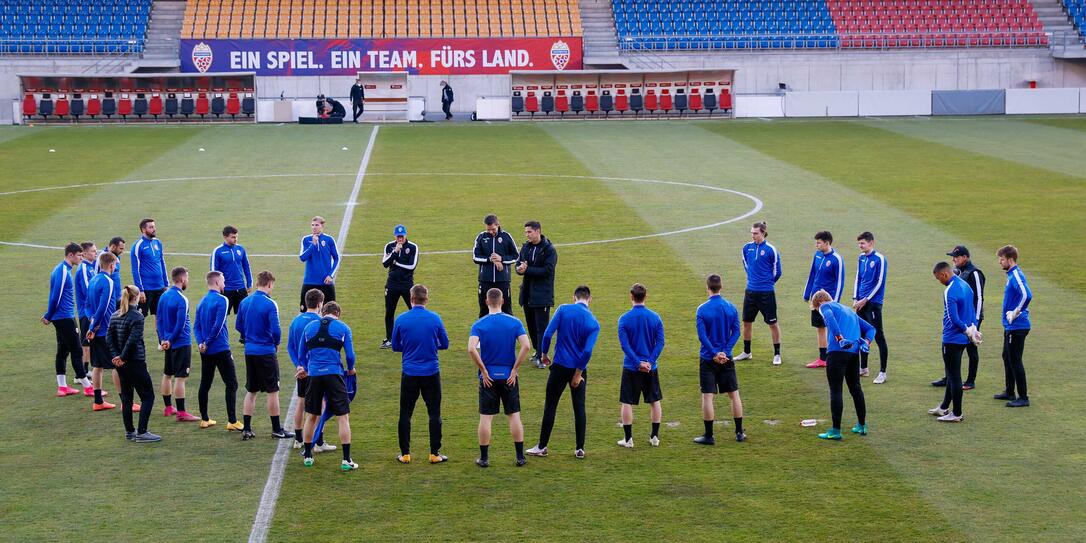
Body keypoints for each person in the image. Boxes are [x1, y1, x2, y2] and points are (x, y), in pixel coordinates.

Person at [526, 285, 600, 460]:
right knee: (579, 407)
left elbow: (547, 334)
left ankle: (542, 446)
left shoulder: (563, 310)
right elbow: (587, 352)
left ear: (574, 297)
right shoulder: (593, 322)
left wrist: (544, 354)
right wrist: (578, 374)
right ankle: (580, 448)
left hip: (559, 366)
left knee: (551, 405)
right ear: (589, 299)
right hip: (579, 369)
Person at [468, 288, 532, 468]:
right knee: (514, 416)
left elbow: (471, 349)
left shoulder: (479, 324)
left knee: (486, 418)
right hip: (508, 376)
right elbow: (526, 346)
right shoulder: (514, 322)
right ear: (502, 301)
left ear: (486, 302)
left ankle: (484, 458)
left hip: (488, 376)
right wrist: (514, 369)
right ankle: (520, 457)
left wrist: (483, 370)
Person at [392, 284, 450, 464]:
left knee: (405, 413)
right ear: (427, 299)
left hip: (409, 372)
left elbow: (395, 346)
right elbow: (445, 343)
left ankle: (405, 454)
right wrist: (432, 346)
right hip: (431, 372)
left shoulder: (401, 319)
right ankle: (434, 453)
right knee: (434, 413)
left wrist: (409, 348)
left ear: (411, 298)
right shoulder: (435, 318)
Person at [297, 302, 359, 470]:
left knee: (311, 416)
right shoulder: (343, 327)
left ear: (323, 312)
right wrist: (351, 370)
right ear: (337, 313)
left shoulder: (309, 327)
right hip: (334, 374)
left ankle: (308, 456)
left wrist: (304, 367)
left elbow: (301, 354)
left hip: (315, 375)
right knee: (343, 417)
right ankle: (346, 460)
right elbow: (350, 356)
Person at [811, 290, 875, 440]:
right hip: (853, 353)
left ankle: (835, 430)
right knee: (856, 389)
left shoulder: (824, 306)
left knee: (836, 391)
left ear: (819, 303)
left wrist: (839, 338)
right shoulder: (849, 310)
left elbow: (829, 318)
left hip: (837, 352)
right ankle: (862, 425)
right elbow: (871, 329)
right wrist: (866, 342)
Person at [235, 271, 292, 440]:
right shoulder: (270, 304)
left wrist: (249, 338)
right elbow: (276, 330)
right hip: (266, 351)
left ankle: (246, 428)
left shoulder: (244, 302)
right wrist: (276, 343)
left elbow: (239, 325)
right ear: (268, 284)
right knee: (272, 390)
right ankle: (276, 429)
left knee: (251, 390)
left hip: (250, 351)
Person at [693, 274, 746, 445]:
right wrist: (725, 351)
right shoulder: (730, 307)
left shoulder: (702, 309)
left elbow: (702, 336)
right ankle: (739, 432)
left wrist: (715, 353)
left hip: (708, 359)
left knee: (707, 397)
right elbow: (737, 331)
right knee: (734, 395)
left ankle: (709, 436)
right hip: (727, 359)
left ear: (707, 287)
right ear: (721, 287)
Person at [107, 285, 160, 442]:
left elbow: (109, 338)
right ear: (136, 298)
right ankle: (142, 432)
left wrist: (117, 357)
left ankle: (130, 431)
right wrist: (122, 356)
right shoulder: (137, 316)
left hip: (121, 364)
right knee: (148, 396)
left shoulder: (115, 315)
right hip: (134, 361)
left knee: (127, 397)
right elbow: (133, 340)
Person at [929, 262, 981, 423]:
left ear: (944, 274)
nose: (939, 281)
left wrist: (966, 330)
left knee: (954, 376)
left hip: (952, 338)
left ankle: (957, 413)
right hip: (964, 338)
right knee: (952, 374)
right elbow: (972, 310)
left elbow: (953, 318)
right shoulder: (965, 285)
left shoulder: (949, 290)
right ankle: (944, 407)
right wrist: (973, 329)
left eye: (939, 278)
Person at [616, 283, 665, 448]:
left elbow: (625, 346)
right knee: (654, 401)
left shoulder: (624, 319)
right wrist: (649, 362)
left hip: (631, 367)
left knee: (627, 402)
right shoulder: (655, 317)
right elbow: (660, 343)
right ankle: (655, 437)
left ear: (631, 297)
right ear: (646, 296)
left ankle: (628, 439)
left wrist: (638, 363)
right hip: (651, 368)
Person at [933, 246, 986, 390]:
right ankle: (949, 377)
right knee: (955, 350)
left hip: (971, 318)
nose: (953, 259)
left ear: (965, 257)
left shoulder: (974, 273)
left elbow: (979, 298)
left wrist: (975, 322)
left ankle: (970, 380)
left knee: (971, 349)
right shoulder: (959, 273)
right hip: (963, 318)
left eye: (956, 257)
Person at [193, 271, 241, 430]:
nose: (225, 284)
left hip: (205, 351)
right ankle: (232, 421)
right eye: (223, 281)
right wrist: (207, 342)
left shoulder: (201, 301)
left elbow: (197, 326)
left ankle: (204, 419)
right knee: (232, 383)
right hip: (220, 348)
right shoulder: (222, 300)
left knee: (205, 383)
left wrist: (201, 343)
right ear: (217, 282)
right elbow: (218, 325)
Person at [288, 288, 333, 452]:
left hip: (301, 370)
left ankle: (298, 439)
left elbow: (290, 347)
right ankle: (318, 441)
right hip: (316, 369)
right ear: (320, 304)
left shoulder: (296, 320)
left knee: (300, 401)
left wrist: (299, 365)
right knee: (320, 404)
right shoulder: (320, 322)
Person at [44, 243, 90, 397]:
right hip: (64, 317)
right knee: (77, 350)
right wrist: (49, 315)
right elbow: (55, 296)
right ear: (70, 255)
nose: (81, 258)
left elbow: (54, 296)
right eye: (79, 255)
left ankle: (62, 387)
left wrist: (49, 314)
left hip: (62, 316)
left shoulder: (61, 269)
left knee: (62, 350)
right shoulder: (63, 271)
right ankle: (88, 387)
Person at [735, 221, 782, 365]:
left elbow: (777, 271)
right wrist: (753, 280)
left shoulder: (771, 250)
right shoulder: (746, 248)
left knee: (772, 323)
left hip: (766, 293)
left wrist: (767, 283)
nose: (753, 235)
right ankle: (747, 352)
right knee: (746, 322)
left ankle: (777, 354)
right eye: (752, 233)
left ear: (763, 233)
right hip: (750, 292)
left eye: (755, 233)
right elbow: (746, 266)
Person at [156, 267, 198, 422]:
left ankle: (168, 407)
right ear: (181, 279)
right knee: (180, 378)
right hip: (180, 342)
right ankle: (181, 412)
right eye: (186, 277)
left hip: (168, 342)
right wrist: (171, 339)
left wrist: (163, 339)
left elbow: (159, 319)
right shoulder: (182, 299)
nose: (187, 280)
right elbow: (180, 324)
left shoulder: (164, 296)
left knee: (167, 374)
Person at [516, 220, 557, 369]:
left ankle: (542, 355)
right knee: (532, 326)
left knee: (542, 327)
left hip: (542, 295)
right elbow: (519, 264)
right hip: (527, 293)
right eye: (526, 232)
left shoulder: (549, 250)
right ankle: (537, 351)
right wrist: (519, 269)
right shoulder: (526, 247)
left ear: (538, 231)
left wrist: (527, 270)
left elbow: (547, 271)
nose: (527, 235)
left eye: (529, 232)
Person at [802, 231, 845, 369]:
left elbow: (840, 282)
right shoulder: (817, 255)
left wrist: (834, 302)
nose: (816, 245)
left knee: (833, 328)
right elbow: (812, 275)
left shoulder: (836, 259)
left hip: (828, 302)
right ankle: (823, 359)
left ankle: (838, 356)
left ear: (827, 243)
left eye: (819, 242)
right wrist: (807, 293)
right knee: (820, 327)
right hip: (816, 301)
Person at [996, 245, 1032, 408]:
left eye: (1002, 259)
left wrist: (1016, 312)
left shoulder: (1016, 274)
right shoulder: (1011, 274)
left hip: (1017, 326)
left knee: (1015, 360)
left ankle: (1023, 397)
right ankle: (1010, 391)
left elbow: (1027, 295)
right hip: (1011, 326)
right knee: (1007, 356)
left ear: (1010, 260)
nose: (1000, 262)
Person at [852, 232, 889, 384]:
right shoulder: (861, 258)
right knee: (861, 334)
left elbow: (880, 282)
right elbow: (858, 278)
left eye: (862, 243)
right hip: (860, 302)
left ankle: (883, 372)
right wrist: (855, 298)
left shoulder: (879, 258)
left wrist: (865, 299)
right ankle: (863, 368)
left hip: (873, 303)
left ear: (871, 243)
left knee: (878, 335)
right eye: (859, 243)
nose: (860, 246)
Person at [86, 252, 121, 411]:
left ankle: (98, 401)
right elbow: (105, 306)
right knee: (117, 366)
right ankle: (125, 402)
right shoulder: (108, 281)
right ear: (112, 265)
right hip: (106, 330)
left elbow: (87, 306)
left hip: (95, 330)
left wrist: (92, 323)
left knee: (97, 366)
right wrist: (95, 325)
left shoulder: (93, 280)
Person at [473, 215, 519, 318]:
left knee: (506, 310)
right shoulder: (481, 237)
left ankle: (508, 333)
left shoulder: (506, 237)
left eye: (493, 229)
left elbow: (516, 256)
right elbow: (475, 257)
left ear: (498, 225)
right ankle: (484, 333)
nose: (490, 232)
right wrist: (490, 259)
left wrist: (501, 259)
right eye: (488, 229)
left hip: (503, 281)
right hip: (485, 281)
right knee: (484, 311)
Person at [380, 224, 418, 349]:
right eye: (398, 236)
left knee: (414, 310)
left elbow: (411, 266)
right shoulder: (389, 246)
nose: (400, 239)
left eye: (402, 236)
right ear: (395, 236)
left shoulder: (413, 247)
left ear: (406, 235)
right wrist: (395, 252)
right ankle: (389, 339)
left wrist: (396, 262)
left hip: (407, 284)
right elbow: (385, 263)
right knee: (389, 312)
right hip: (392, 284)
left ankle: (416, 336)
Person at [298, 216, 340, 313]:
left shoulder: (329, 239)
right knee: (305, 311)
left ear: (322, 226)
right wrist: (313, 245)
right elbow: (302, 258)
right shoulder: (306, 239)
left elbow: (337, 258)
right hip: (309, 282)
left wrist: (331, 275)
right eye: (312, 225)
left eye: (316, 225)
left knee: (331, 312)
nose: (314, 227)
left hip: (326, 282)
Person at [210, 225, 253, 316]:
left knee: (246, 316)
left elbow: (246, 266)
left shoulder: (240, 249)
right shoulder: (218, 251)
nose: (235, 239)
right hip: (226, 289)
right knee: (222, 316)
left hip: (241, 288)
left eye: (236, 237)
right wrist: (216, 288)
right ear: (225, 237)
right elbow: (213, 272)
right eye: (233, 237)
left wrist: (249, 283)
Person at [131, 218, 169, 317]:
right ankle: (138, 333)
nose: (154, 229)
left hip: (160, 286)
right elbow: (135, 270)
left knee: (160, 314)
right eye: (151, 227)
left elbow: (162, 263)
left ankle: (160, 333)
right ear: (144, 229)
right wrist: (140, 290)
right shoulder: (138, 246)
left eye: (154, 227)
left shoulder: (158, 243)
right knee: (141, 315)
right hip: (146, 288)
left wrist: (166, 284)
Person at [75, 241, 98, 379]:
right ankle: (81, 374)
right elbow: (88, 290)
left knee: (89, 340)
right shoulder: (83, 268)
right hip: (86, 311)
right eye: (93, 251)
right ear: (84, 253)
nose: (96, 253)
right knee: (85, 341)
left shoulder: (90, 267)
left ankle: (85, 370)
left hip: (91, 310)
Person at [96, 236, 125, 303]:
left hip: (115, 295)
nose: (122, 251)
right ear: (113, 247)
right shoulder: (103, 257)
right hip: (108, 296)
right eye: (120, 249)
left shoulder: (115, 256)